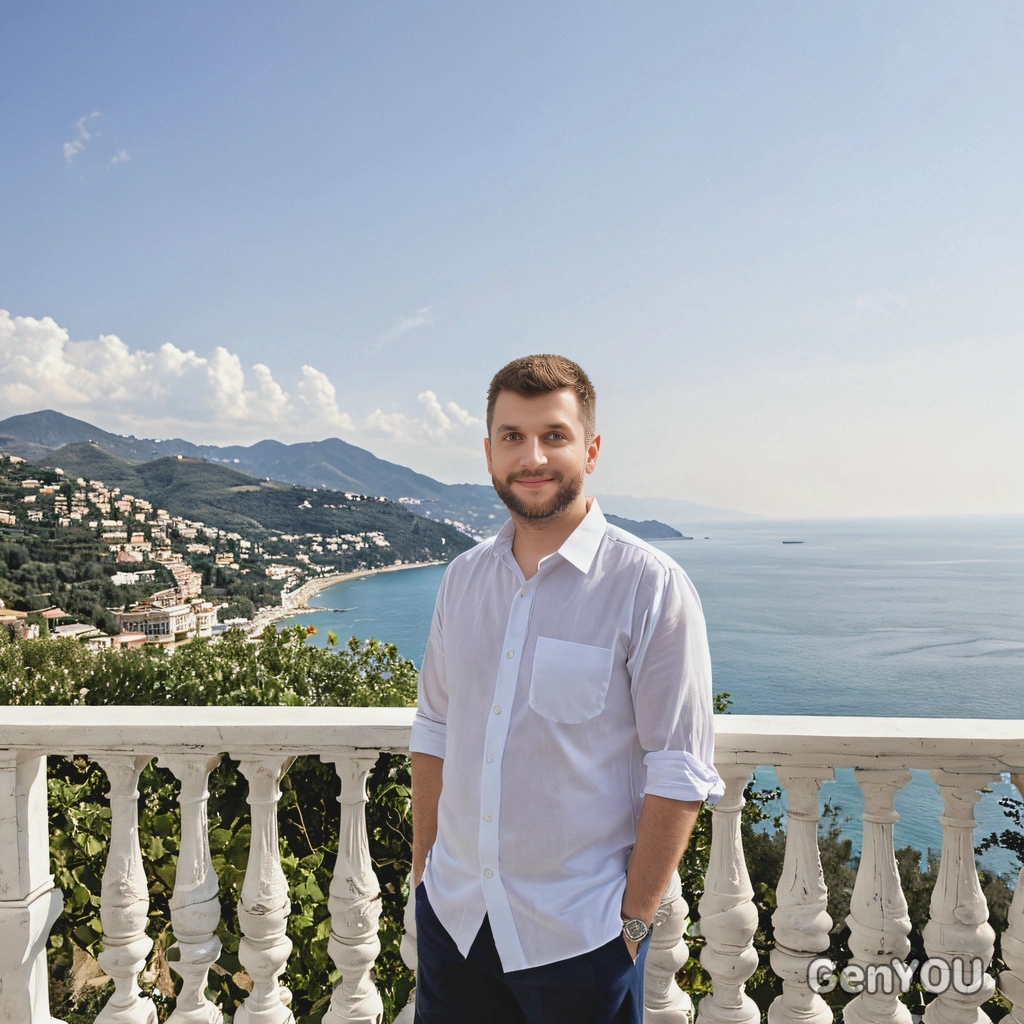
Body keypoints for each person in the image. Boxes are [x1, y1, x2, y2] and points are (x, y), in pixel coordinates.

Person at [409, 354, 723, 1024]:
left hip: (581, 941)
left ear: (592, 449)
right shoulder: (462, 580)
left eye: (554, 435)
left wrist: (632, 929)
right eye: (512, 437)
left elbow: (681, 768)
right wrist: (424, 877)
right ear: (489, 453)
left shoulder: (649, 586)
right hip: (455, 923)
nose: (533, 457)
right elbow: (435, 727)